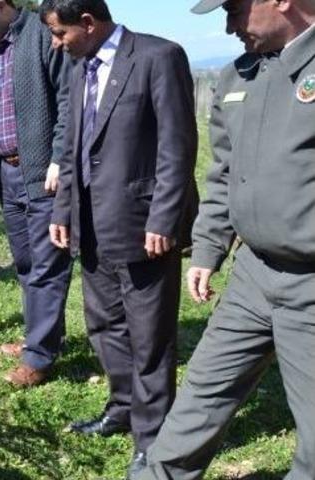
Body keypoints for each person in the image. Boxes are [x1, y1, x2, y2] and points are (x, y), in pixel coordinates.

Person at [140, 1, 315, 478]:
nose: (229, 25)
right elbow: (223, 176)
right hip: (253, 279)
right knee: (198, 402)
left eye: (236, 9)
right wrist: (209, 249)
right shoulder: (238, 77)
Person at [39, 0, 199, 476]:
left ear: (87, 23)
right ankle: (123, 407)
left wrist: (164, 219)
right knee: (104, 325)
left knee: (150, 338)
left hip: (143, 225)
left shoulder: (157, 56)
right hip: (90, 225)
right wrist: (63, 208)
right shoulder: (78, 68)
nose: (55, 43)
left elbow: (178, 143)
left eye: (59, 33)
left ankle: (152, 438)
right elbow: (72, 148)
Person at [0, 0, 73, 388]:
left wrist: (60, 157)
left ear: (4, 6)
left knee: (47, 266)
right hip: (8, 175)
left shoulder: (43, 35)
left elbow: (67, 100)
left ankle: (39, 357)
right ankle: (38, 339)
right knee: (26, 263)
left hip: (43, 175)